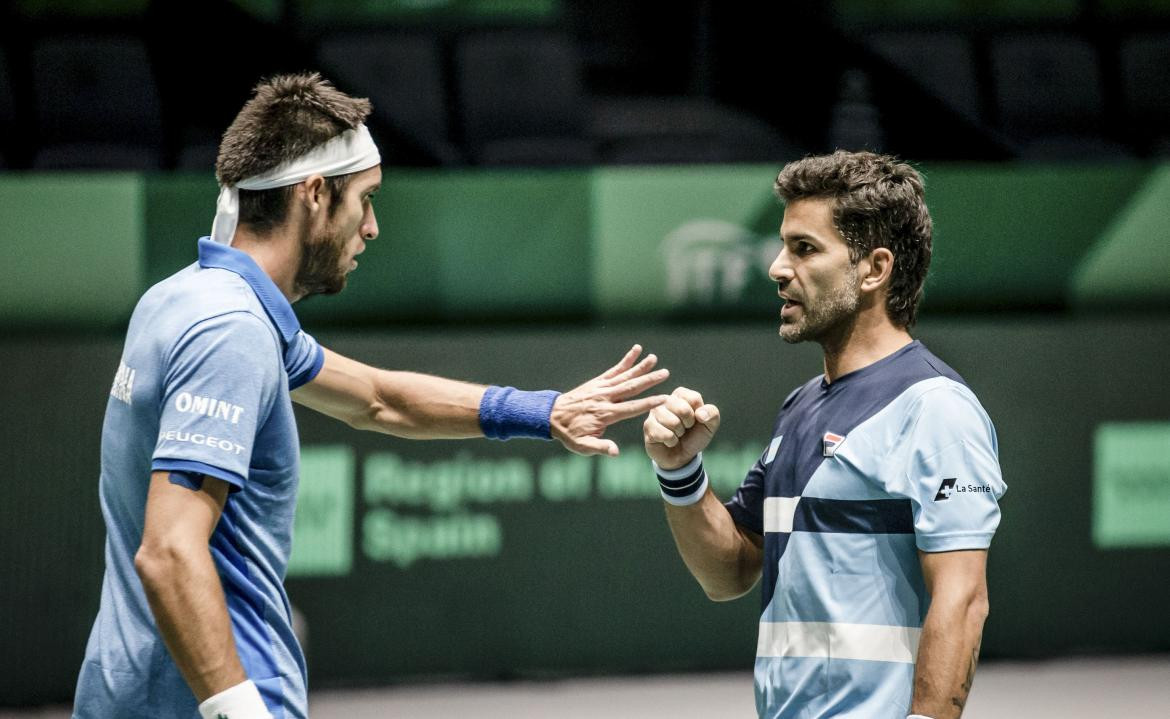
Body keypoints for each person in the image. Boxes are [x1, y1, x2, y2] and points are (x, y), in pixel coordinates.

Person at [73, 73, 669, 719]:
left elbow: (379, 399)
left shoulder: (183, 298)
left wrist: (543, 411)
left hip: (123, 687)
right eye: (367, 199)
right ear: (314, 195)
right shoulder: (232, 332)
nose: (374, 228)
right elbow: (168, 551)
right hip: (207, 698)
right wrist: (239, 709)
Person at [643, 151, 1006, 719]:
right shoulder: (801, 405)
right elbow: (729, 573)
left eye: (805, 248)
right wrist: (679, 471)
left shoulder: (936, 409)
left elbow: (962, 602)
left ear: (874, 269)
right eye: (785, 245)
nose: (777, 268)